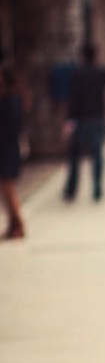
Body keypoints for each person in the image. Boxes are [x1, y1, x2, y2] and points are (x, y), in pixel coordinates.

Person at [63, 45, 105, 202]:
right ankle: (97, 187)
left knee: (75, 156)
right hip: (97, 118)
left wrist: (70, 120)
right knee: (97, 155)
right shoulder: (101, 73)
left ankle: (71, 189)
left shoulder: (77, 74)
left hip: (81, 119)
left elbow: (74, 99)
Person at [0, 65, 28, 239]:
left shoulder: (12, 99)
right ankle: (12, 223)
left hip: (9, 149)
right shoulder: (8, 98)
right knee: (5, 187)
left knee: (9, 186)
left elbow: (11, 126)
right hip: (6, 148)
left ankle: (18, 223)